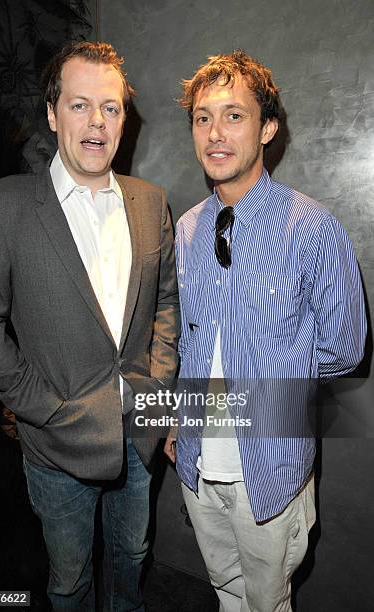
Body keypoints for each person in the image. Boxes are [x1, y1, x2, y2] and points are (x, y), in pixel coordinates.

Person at [0, 41, 179, 611]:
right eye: (80, 105)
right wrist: (43, 406)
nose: (96, 122)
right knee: (69, 580)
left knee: (131, 564)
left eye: (110, 108)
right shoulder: (0, 206)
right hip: (55, 441)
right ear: (52, 113)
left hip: (138, 434)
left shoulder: (150, 201)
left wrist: (155, 388)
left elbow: (165, 305)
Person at [165, 50, 366, 611]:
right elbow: (190, 339)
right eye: (203, 118)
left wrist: (278, 384)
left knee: (269, 602)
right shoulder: (187, 229)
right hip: (199, 466)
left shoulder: (313, 227)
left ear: (268, 127)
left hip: (273, 470)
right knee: (226, 594)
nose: (215, 133)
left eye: (234, 115)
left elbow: (345, 348)